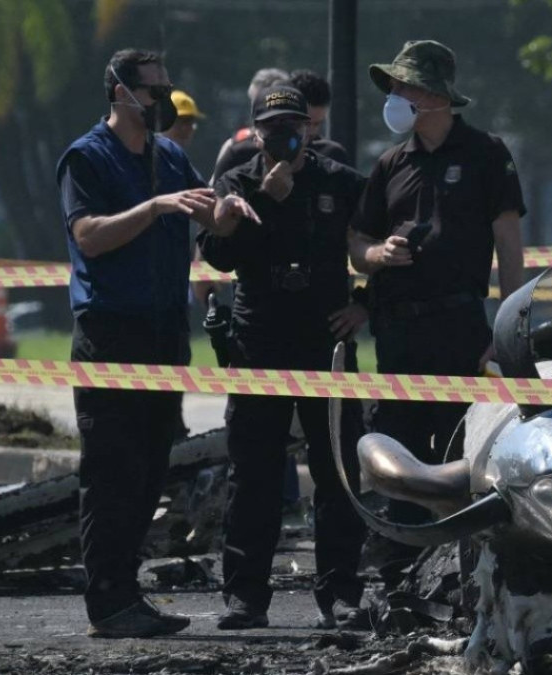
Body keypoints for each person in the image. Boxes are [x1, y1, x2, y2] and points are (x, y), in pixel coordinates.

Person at [56, 48, 256, 638]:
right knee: (112, 472)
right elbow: (88, 237)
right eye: (152, 91)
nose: (163, 101)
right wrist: (153, 207)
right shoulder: (85, 158)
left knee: (148, 471)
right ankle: (108, 603)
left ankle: (128, 595)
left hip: (164, 334)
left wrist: (234, 205)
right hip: (110, 334)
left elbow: (211, 219)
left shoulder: (170, 156)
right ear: (119, 92)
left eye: (168, 88)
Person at [349, 40, 525, 567]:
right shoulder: (389, 164)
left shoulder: (487, 154)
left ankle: (459, 573)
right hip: (398, 334)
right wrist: (379, 253)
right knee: (397, 457)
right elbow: (357, 244)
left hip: (459, 327)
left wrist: (508, 329)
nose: (396, 97)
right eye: (395, 88)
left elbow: (509, 249)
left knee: (460, 454)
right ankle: (398, 576)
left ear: (434, 96)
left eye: (404, 88)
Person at [198, 85, 369, 630]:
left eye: (293, 124)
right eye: (272, 127)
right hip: (259, 340)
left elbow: (380, 246)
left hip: (325, 337)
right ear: (256, 130)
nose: (284, 135)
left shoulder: (340, 180)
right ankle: (246, 596)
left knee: (337, 471)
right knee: (254, 473)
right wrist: (264, 201)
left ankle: (340, 593)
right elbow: (217, 258)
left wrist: (365, 304)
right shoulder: (237, 182)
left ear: (310, 128)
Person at [214, 69, 349, 180]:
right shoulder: (240, 154)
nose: (310, 132)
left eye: (316, 124)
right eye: (300, 124)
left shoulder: (333, 155)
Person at [211, 67, 289, 184]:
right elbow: (214, 191)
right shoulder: (235, 147)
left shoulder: (306, 150)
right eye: (253, 103)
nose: (254, 111)